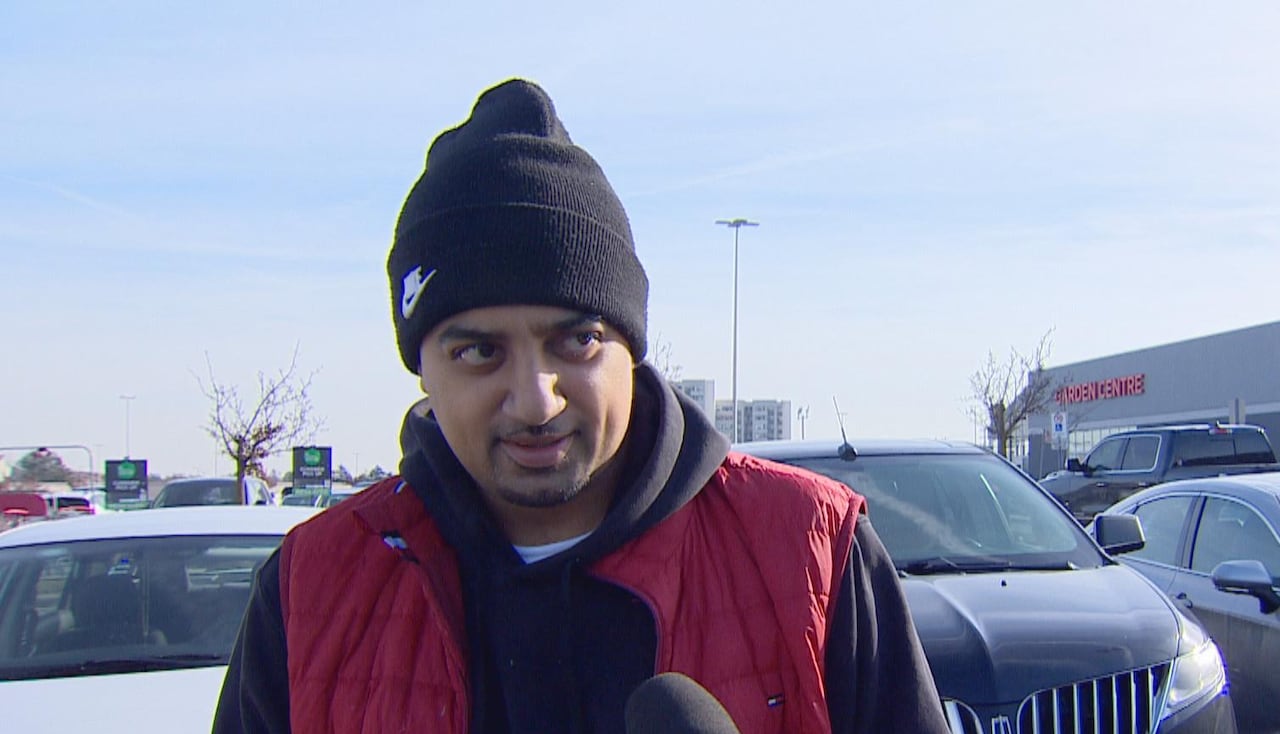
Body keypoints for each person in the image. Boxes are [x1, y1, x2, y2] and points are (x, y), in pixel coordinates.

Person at [212, 78, 950, 734]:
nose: (536, 400)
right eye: (479, 351)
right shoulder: (312, 591)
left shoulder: (811, 555)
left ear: (630, 348)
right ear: (422, 368)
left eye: (576, 342)